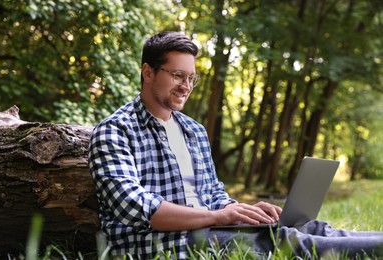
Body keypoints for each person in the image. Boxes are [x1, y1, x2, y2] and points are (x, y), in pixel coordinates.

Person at [88, 31, 383, 259]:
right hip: (162, 245)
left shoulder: (193, 131)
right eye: (178, 75)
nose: (186, 86)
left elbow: (214, 194)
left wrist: (241, 211)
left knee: (310, 229)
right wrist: (219, 216)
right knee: (287, 243)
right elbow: (137, 209)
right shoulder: (115, 131)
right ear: (148, 72)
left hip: (210, 229)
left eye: (192, 78)